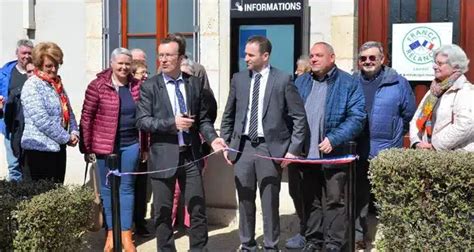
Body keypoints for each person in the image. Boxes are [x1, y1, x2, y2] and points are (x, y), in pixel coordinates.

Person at [136, 34, 227, 251]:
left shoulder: (194, 84)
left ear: (181, 57)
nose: (163, 60)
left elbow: (203, 120)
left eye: (169, 55)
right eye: (160, 55)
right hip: (163, 156)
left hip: (190, 155)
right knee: (163, 211)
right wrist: (172, 123)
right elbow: (142, 121)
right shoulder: (150, 86)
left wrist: (213, 139)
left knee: (197, 207)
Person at [220, 35, 307, 251]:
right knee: (245, 199)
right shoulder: (238, 79)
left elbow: (299, 117)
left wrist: (293, 150)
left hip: (270, 147)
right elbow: (229, 114)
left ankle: (270, 246)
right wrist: (227, 142)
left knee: (269, 200)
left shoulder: (283, 79)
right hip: (243, 147)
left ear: (265, 56)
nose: (245, 58)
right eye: (245, 53)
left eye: (251, 54)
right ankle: (247, 244)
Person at [294, 42, 366, 251]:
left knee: (335, 201)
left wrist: (334, 138)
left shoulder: (348, 83)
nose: (313, 59)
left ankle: (334, 244)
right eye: (311, 56)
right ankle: (313, 241)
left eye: (319, 55)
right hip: (307, 156)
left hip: (334, 156)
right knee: (311, 201)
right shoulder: (301, 83)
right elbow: (291, 115)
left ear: (332, 58)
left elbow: (358, 116)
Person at [353, 41, 416, 249]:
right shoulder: (352, 81)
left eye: (372, 57)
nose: (368, 62)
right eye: (363, 58)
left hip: (386, 147)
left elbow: (408, 113)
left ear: (382, 59)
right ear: (359, 61)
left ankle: (391, 237)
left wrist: (393, 132)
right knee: (358, 195)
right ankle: (358, 236)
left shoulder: (398, 82)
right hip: (357, 148)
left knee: (389, 196)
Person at [80, 47, 143, 252]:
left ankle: (126, 235)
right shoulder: (97, 86)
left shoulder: (137, 87)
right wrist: (86, 147)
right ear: (112, 63)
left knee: (127, 189)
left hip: (130, 144)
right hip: (104, 147)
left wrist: (145, 146)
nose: (124, 67)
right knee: (107, 191)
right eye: (120, 63)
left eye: (127, 64)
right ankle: (110, 234)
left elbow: (144, 118)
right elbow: (87, 118)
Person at [20, 42, 79, 183]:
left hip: (58, 149)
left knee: (57, 196)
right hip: (38, 151)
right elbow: (42, 120)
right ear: (39, 65)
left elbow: (68, 112)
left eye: (56, 65)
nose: (53, 70)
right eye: (49, 66)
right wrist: (66, 137)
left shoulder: (56, 84)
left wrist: (74, 132)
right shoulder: (32, 85)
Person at [410, 44, 474, 151]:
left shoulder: (465, 90)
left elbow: (466, 124)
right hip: (428, 155)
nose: (434, 66)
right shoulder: (434, 90)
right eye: (435, 62)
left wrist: (435, 146)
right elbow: (417, 118)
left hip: (451, 159)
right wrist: (416, 141)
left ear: (456, 67)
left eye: (440, 63)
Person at [0, 39, 33, 182]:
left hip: (32, 127)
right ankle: (16, 200)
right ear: (17, 54)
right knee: (14, 165)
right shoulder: (5, 73)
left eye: (29, 53)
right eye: (23, 53)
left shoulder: (36, 73)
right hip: (11, 125)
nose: (26, 56)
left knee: (29, 165)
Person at [130, 58, 152, 236]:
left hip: (142, 149)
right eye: (141, 73)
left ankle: (140, 222)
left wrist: (145, 148)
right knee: (128, 188)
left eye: (147, 73)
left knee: (141, 189)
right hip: (128, 148)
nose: (145, 76)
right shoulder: (129, 94)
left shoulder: (147, 94)